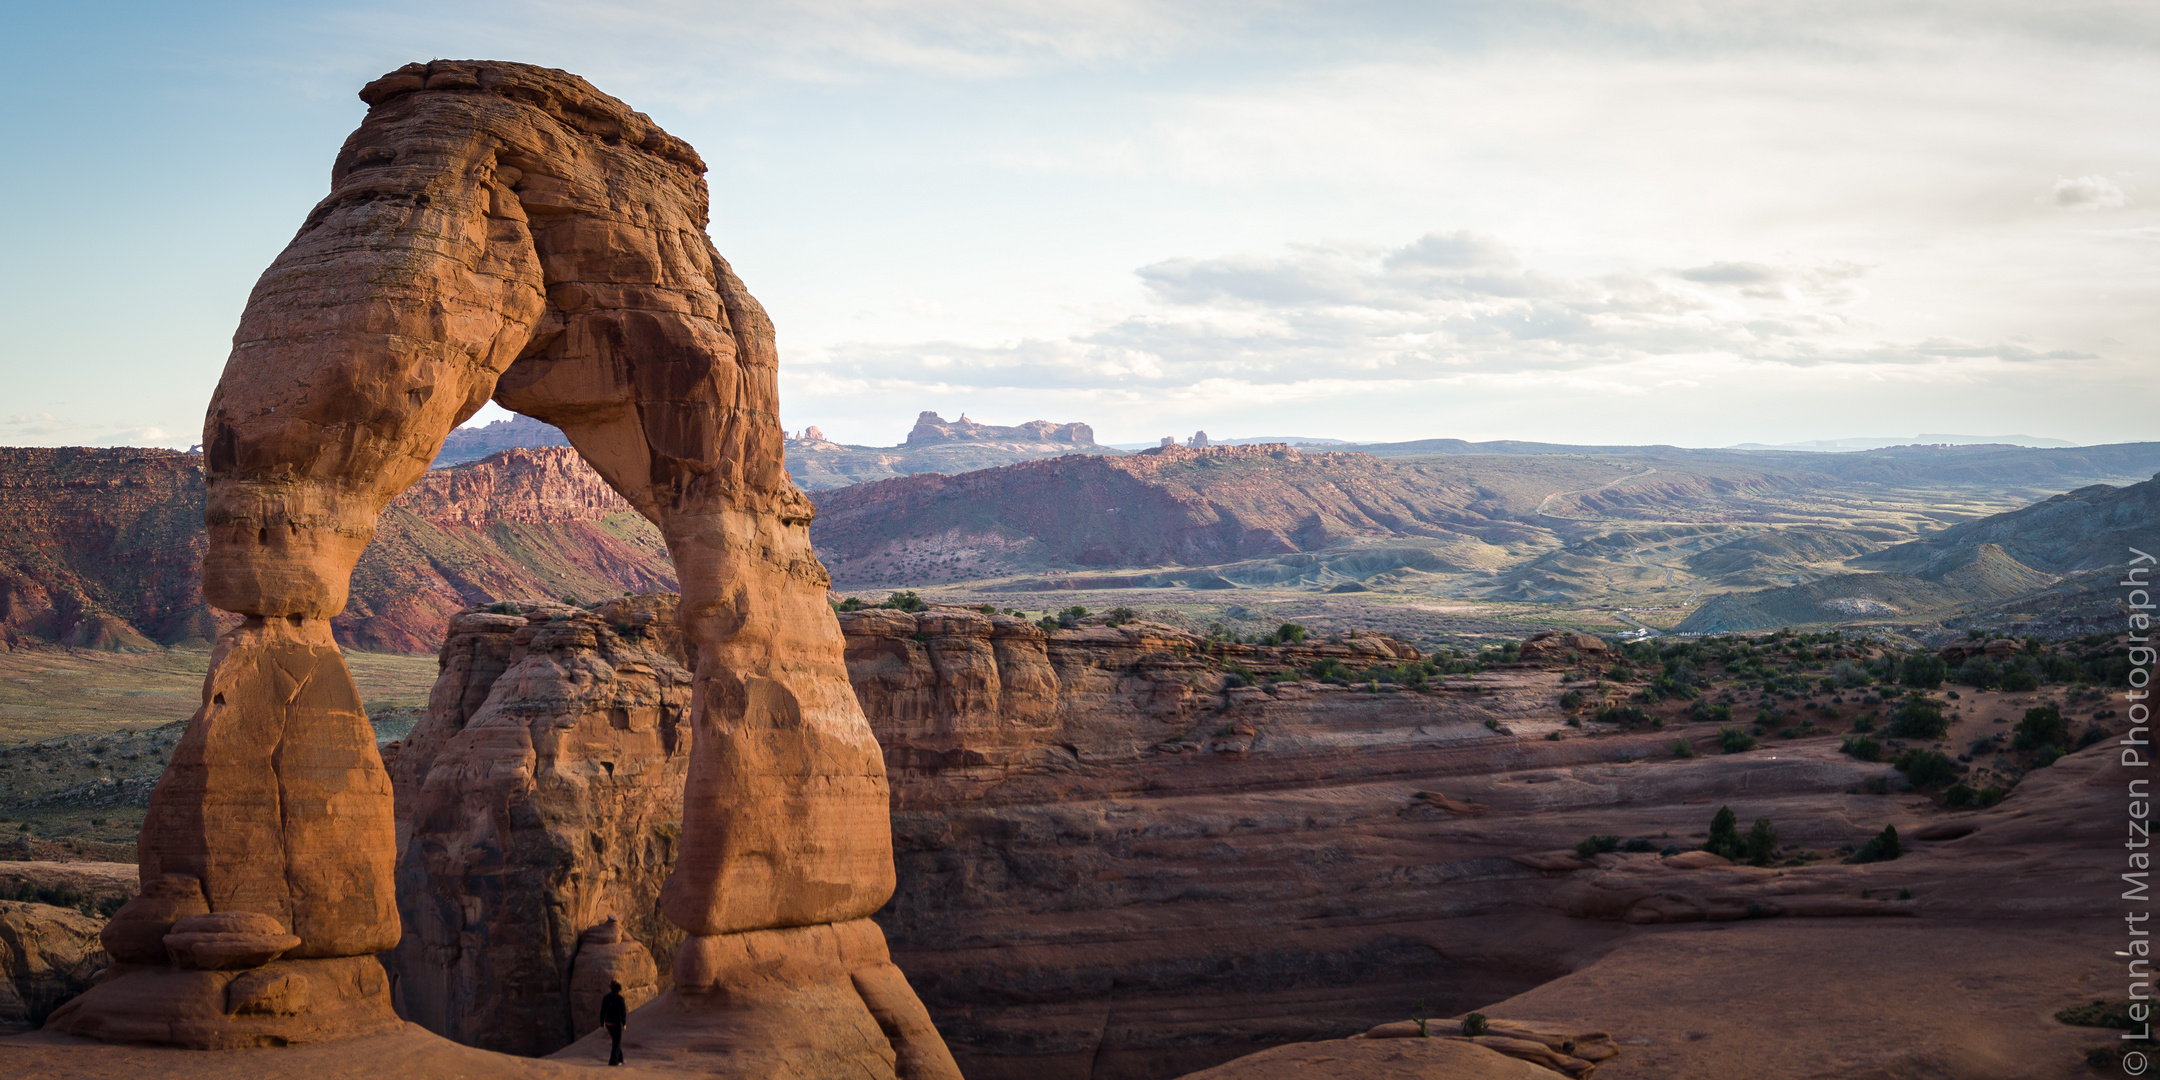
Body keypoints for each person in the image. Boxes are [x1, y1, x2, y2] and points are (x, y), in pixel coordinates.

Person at [601, 979, 628, 1066]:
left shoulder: (606, 998)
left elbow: (602, 1011)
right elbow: (623, 1012)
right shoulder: (620, 999)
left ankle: (620, 1059)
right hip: (616, 1023)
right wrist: (624, 1024)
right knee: (616, 1042)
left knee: (616, 1041)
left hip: (608, 1023)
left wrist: (602, 1023)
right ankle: (613, 1062)